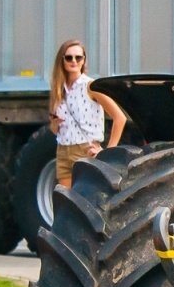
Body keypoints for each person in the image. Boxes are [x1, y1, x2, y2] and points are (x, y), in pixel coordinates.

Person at [49, 40, 126, 188]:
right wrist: (54, 124)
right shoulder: (59, 89)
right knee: (65, 203)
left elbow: (120, 118)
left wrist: (107, 151)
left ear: (84, 60)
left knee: (86, 200)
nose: (74, 61)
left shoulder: (90, 86)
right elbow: (54, 130)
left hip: (85, 150)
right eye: (69, 57)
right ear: (62, 60)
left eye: (78, 57)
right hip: (63, 150)